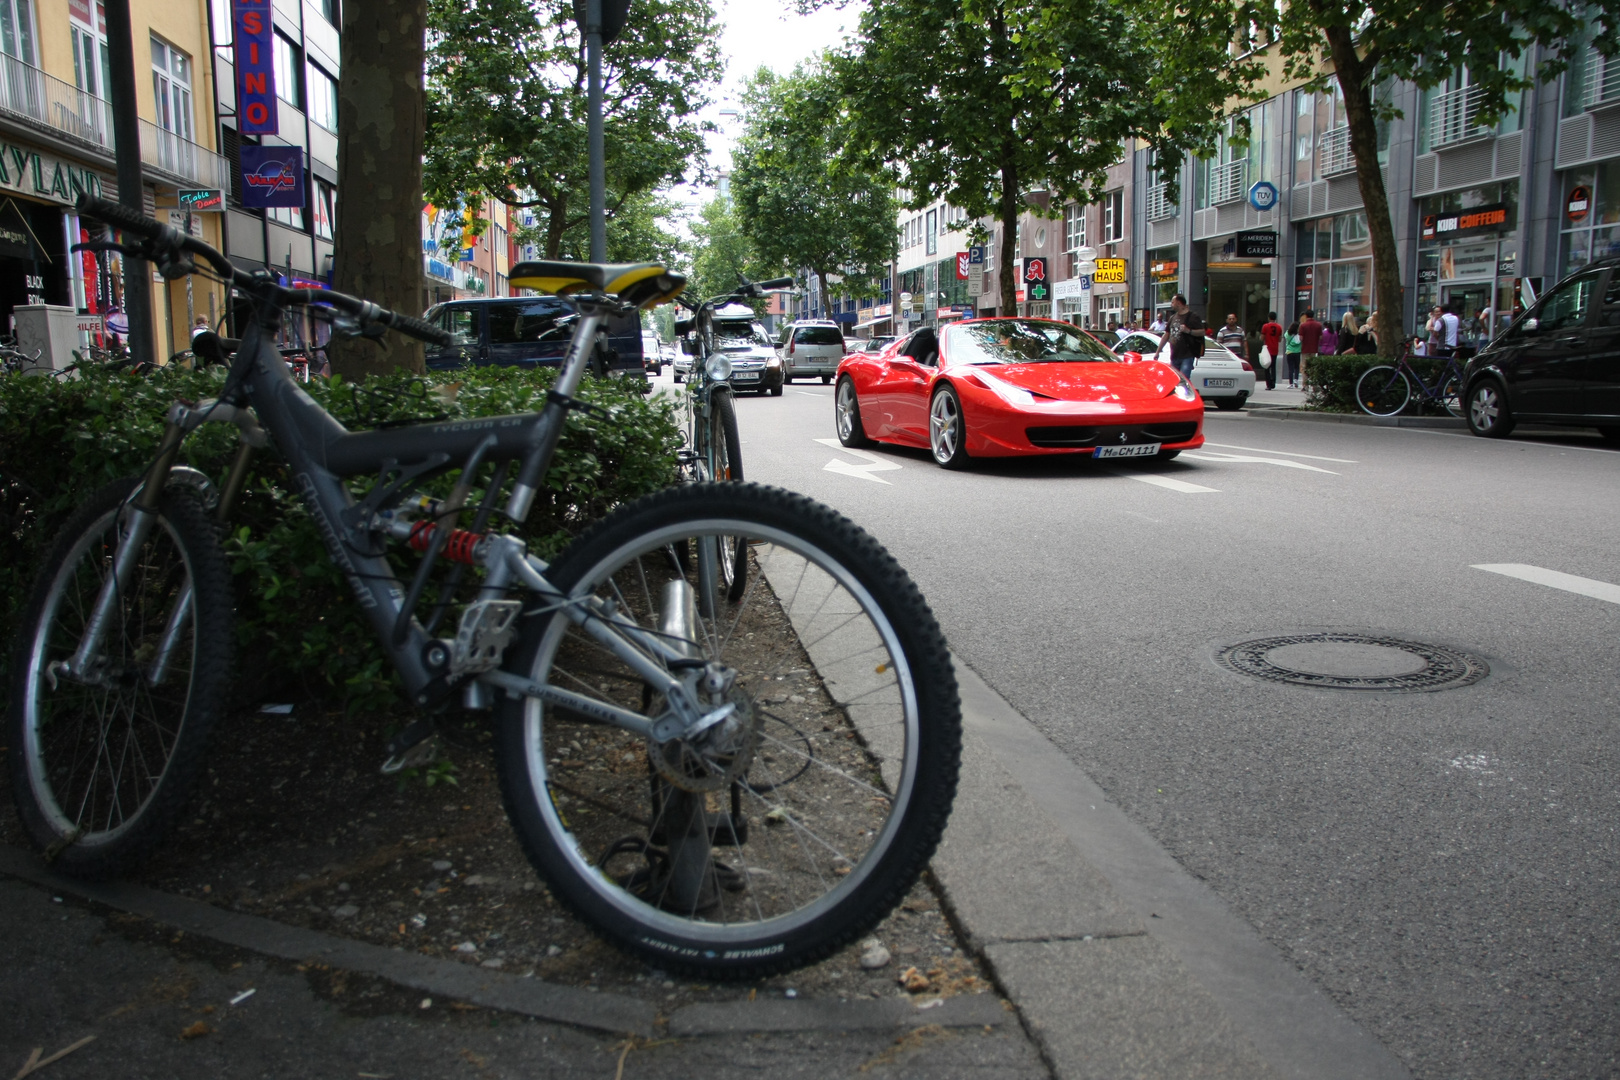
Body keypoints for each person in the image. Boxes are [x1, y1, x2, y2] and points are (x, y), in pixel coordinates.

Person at [1170, 310, 1204, 378]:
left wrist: (1188, 331)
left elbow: (1202, 332)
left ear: (1179, 303)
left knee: (1184, 379)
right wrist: (1158, 351)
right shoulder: (1173, 317)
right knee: (1174, 379)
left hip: (1187, 355)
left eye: (1173, 302)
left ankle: (1185, 388)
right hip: (1175, 355)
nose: (1171, 304)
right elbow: (1167, 334)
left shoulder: (1192, 317)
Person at [1298, 308, 1324, 389]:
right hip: (1314, 349)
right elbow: (1320, 337)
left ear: (1306, 316)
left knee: (1304, 367)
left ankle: (1305, 385)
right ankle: (1314, 385)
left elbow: (1301, 338)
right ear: (1313, 315)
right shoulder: (1318, 325)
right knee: (1313, 367)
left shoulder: (1303, 325)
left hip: (1305, 349)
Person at [1260, 311, 1283, 390]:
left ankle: (1268, 384)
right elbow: (1280, 339)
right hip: (1275, 348)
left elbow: (1262, 338)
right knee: (1273, 366)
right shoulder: (1279, 327)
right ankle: (1273, 382)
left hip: (1267, 349)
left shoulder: (1265, 326)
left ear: (1269, 318)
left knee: (1266, 366)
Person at [1283, 320, 1302, 388]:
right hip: (1297, 352)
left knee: (1290, 368)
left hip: (1289, 352)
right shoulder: (1299, 335)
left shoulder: (1287, 333)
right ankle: (1296, 380)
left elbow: (1285, 338)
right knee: (1297, 367)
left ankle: (1291, 383)